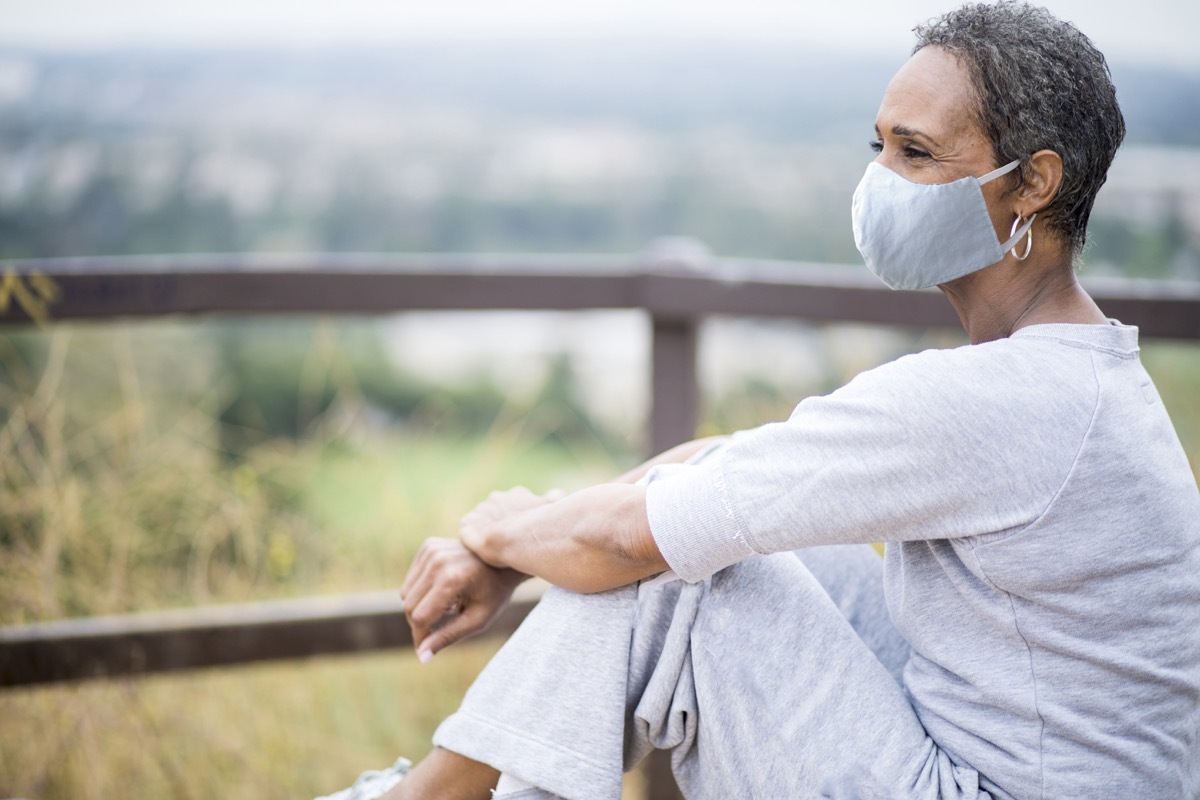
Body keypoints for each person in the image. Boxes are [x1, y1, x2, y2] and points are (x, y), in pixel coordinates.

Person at [322, 2, 1200, 798]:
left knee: (681, 573)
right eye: (881, 147)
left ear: (1033, 184)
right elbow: (718, 468)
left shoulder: (998, 398)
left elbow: (635, 538)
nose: (883, 179)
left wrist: (498, 537)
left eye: (918, 154)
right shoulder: (1072, 375)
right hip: (1004, 762)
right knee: (698, 528)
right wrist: (531, 547)